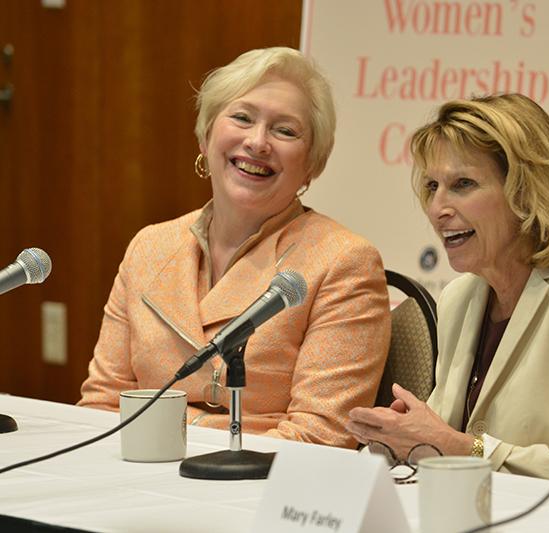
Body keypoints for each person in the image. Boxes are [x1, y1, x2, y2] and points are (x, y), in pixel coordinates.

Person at [346, 94, 549, 498]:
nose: (437, 208)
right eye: (432, 186)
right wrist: (402, 438)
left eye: (462, 184)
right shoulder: (462, 297)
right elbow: (449, 439)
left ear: (526, 191)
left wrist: (457, 447)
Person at [79, 48, 391, 448]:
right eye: (242, 118)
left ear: (312, 163)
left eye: (285, 131)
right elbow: (100, 404)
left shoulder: (343, 261)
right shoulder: (149, 247)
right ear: (206, 134)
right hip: (137, 476)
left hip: (259, 490)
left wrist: (174, 434)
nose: (258, 142)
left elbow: (321, 436)